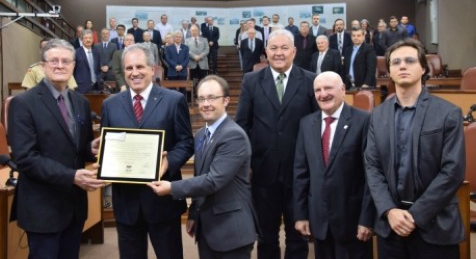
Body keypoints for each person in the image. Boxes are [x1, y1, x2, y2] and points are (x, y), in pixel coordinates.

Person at [364, 39, 465, 259]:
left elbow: (452, 171)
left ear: (423, 68)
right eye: (396, 62)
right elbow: (372, 167)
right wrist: (389, 210)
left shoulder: (448, 113)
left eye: (410, 61)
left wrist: (416, 215)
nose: (402, 66)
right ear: (389, 71)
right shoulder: (378, 115)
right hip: (391, 225)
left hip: (434, 225)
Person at [8, 39, 104, 259]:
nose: (60, 65)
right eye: (54, 61)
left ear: (73, 66)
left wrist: (91, 147)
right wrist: (71, 176)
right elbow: (25, 158)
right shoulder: (23, 104)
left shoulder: (81, 103)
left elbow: (78, 148)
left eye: (65, 61)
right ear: (43, 65)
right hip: (43, 207)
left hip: (74, 206)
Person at [100, 43, 194, 259]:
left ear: (153, 68)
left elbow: (186, 143)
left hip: (162, 200)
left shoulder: (174, 100)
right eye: (129, 68)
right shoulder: (110, 105)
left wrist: (167, 162)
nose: (134, 73)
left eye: (140, 67)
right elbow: (110, 147)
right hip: (126, 203)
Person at [150, 75, 258, 259]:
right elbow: (200, 173)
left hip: (231, 230)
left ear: (226, 100)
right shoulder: (201, 135)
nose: (205, 103)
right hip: (207, 228)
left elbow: (213, 181)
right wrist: (193, 213)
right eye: (201, 98)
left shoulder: (233, 135)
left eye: (211, 98)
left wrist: (171, 188)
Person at [235, 29, 318, 259]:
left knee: (298, 238)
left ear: (293, 51)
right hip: (262, 173)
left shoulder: (311, 80)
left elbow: (317, 127)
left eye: (284, 48)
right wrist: (248, 164)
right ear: (265, 52)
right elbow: (241, 125)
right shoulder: (251, 81)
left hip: (300, 175)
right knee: (266, 239)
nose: (278, 53)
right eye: (273, 48)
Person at [293, 71, 374, 259]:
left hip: (353, 224)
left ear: (343, 89)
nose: (323, 94)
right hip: (319, 222)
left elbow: (372, 175)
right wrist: (301, 214)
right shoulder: (306, 124)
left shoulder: (363, 121)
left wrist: (367, 219)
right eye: (318, 90)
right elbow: (300, 173)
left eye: (328, 88)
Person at [73, 29, 102, 93]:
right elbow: (72, 71)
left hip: (96, 87)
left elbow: (98, 69)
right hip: (81, 88)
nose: (88, 40)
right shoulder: (76, 53)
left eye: (90, 38)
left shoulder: (96, 52)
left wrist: (99, 79)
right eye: (86, 38)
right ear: (82, 39)